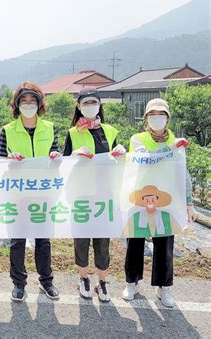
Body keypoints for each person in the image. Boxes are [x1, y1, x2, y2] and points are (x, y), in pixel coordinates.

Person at [122, 98, 196, 308]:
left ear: (167, 118)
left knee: (164, 243)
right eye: (153, 115)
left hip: (166, 199)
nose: (157, 119)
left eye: (161, 115)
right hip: (139, 197)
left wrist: (189, 203)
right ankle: (132, 282)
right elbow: (145, 160)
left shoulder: (174, 140)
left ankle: (163, 287)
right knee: (135, 241)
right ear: (146, 118)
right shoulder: (138, 139)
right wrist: (170, 149)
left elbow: (184, 173)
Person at [0, 81, 60, 302]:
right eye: (23, 101)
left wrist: (55, 156)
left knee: (43, 239)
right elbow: (0, 160)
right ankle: (18, 284)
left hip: (44, 192)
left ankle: (46, 282)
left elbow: (56, 151)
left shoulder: (51, 127)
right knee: (17, 240)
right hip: (17, 193)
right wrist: (8, 160)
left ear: (40, 103)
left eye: (33, 101)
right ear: (16, 104)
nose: (28, 104)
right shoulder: (7, 130)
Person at [63, 87, 126, 302]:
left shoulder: (111, 131)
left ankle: (102, 282)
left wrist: (121, 153)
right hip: (81, 196)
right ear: (79, 107)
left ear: (99, 105)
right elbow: (63, 164)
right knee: (81, 240)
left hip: (105, 196)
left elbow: (120, 161)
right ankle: (83, 278)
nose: (90, 106)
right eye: (85, 103)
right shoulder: (72, 132)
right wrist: (74, 155)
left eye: (93, 102)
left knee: (102, 241)